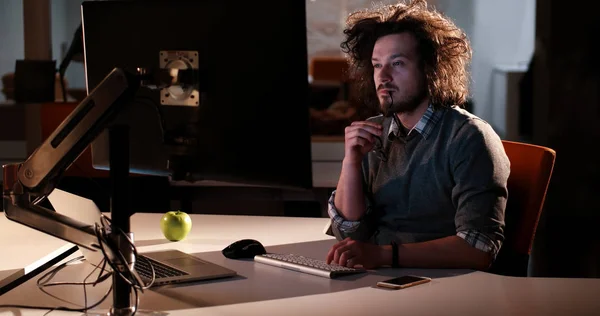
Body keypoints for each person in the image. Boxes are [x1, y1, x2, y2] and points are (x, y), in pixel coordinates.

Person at [325, 0, 510, 271]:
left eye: (397, 63)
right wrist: (350, 163)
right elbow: (350, 234)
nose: (383, 77)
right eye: (377, 65)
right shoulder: (374, 131)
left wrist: (383, 256)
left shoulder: (469, 137)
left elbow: (478, 248)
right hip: (377, 280)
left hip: (443, 290)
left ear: (430, 69)